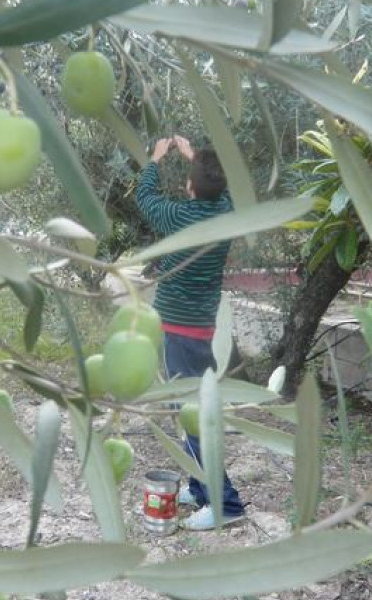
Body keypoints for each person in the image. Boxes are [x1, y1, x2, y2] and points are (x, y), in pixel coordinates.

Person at [135, 136, 246, 531]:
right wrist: (195, 159)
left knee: (193, 416)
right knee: (189, 409)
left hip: (178, 332)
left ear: (190, 187)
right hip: (200, 328)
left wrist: (155, 159)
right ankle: (200, 490)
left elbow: (144, 197)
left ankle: (225, 503)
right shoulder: (225, 216)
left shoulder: (178, 218)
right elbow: (221, 190)